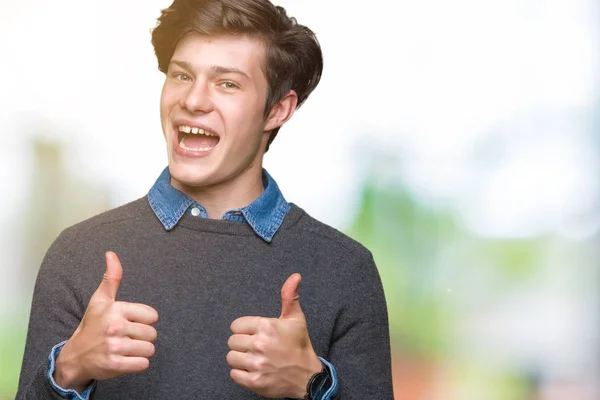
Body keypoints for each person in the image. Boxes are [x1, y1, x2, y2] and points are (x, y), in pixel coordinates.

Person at [16, 0, 394, 398]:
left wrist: (312, 385)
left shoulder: (345, 270)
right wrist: (69, 369)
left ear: (277, 110)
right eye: (181, 75)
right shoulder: (79, 254)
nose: (193, 101)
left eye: (227, 83)